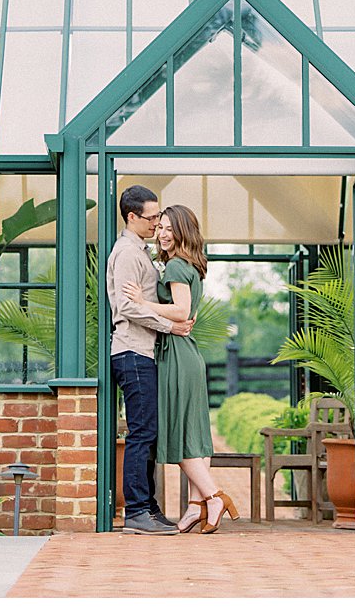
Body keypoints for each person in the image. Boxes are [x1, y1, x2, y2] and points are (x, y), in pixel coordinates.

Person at [124, 204, 239, 534]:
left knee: (180, 433)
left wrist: (142, 302)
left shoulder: (175, 266)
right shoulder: (189, 265)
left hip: (176, 355)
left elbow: (181, 310)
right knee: (194, 434)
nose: (161, 233)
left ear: (182, 233)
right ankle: (194, 508)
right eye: (159, 227)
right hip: (186, 354)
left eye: (168, 229)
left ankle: (214, 497)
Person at [107, 184, 193, 535]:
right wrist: (168, 326)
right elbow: (125, 307)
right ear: (132, 216)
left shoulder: (141, 251)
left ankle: (149, 508)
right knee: (141, 434)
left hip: (142, 352)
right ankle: (137, 512)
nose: (157, 223)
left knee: (148, 433)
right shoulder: (127, 253)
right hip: (132, 351)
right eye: (152, 217)